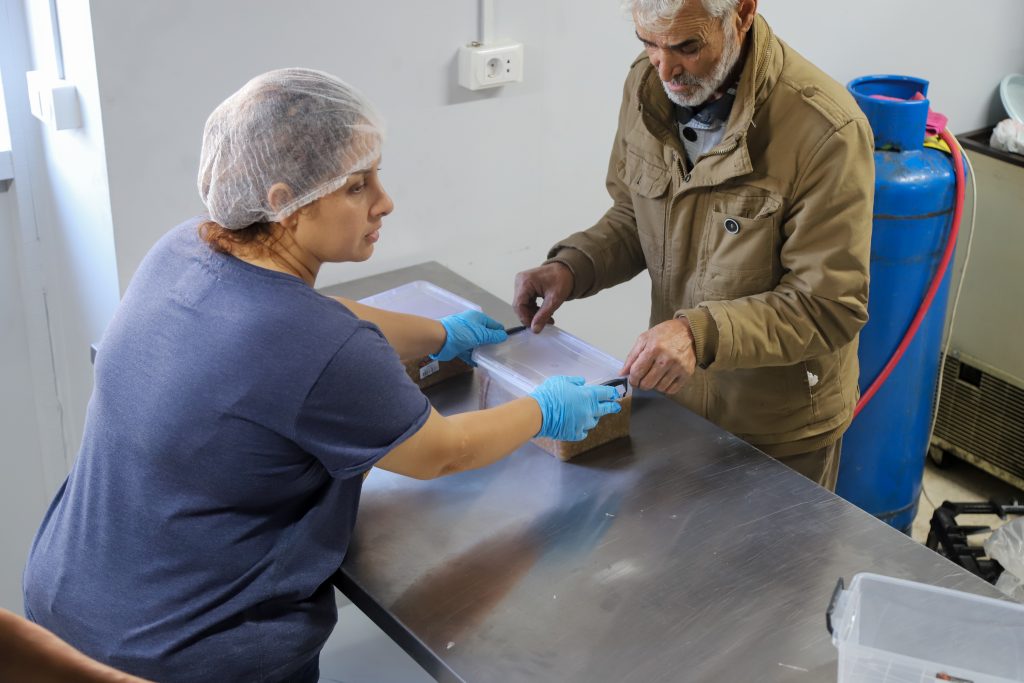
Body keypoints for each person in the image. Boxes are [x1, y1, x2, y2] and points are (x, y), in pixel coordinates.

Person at [23, 68, 621, 683]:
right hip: (186, 654)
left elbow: (320, 315)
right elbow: (443, 452)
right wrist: (543, 408)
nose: (384, 201)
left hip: (65, 606)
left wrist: (439, 334)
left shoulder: (183, 248)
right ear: (286, 202)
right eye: (357, 187)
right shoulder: (318, 346)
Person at [513, 0, 873, 491]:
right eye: (648, 43)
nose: (666, 69)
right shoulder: (646, 86)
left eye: (687, 47)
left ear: (742, 14)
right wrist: (573, 267)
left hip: (777, 430)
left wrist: (697, 334)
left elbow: (828, 305)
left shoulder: (825, 130)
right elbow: (636, 216)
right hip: (675, 405)